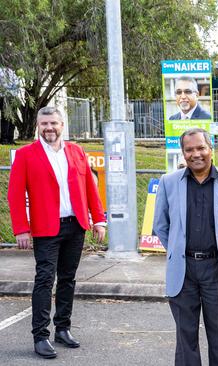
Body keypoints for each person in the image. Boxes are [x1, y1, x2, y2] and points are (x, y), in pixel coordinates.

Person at [7, 107, 106, 359]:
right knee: (44, 280)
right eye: (44, 124)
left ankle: (63, 328)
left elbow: (89, 188)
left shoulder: (76, 151)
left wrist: (99, 220)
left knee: (68, 279)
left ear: (62, 124)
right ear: (38, 126)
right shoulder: (26, 155)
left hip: (75, 225)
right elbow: (15, 195)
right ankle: (40, 336)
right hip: (45, 229)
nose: (48, 128)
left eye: (53, 123)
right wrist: (21, 229)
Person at [153, 128, 218, 366]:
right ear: (183, 153)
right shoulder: (168, 183)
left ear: (211, 150)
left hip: (217, 271)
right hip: (183, 271)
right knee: (185, 340)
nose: (196, 154)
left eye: (200, 148)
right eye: (189, 149)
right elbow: (161, 225)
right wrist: (177, 251)